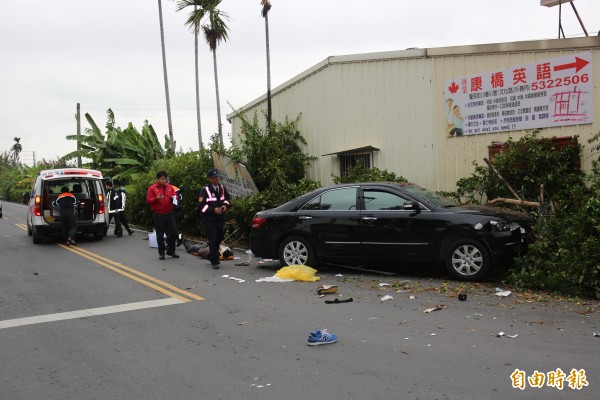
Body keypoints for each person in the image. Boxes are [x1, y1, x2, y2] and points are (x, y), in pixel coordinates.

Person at [198, 168, 231, 269]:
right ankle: (214, 261)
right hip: (209, 220)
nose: (217, 179)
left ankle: (213, 256)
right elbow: (201, 206)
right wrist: (213, 210)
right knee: (213, 239)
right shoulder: (205, 190)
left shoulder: (221, 188)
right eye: (214, 177)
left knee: (219, 238)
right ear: (209, 179)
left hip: (220, 219)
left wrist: (225, 205)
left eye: (217, 177)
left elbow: (227, 198)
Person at [146, 171, 179, 260]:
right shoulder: (152, 188)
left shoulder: (170, 187)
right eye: (162, 179)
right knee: (160, 234)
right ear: (158, 179)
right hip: (159, 214)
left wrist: (174, 198)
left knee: (174, 232)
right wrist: (156, 198)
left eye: (165, 179)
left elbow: (176, 196)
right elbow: (148, 200)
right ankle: (161, 252)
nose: (164, 181)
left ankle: (171, 250)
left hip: (169, 213)